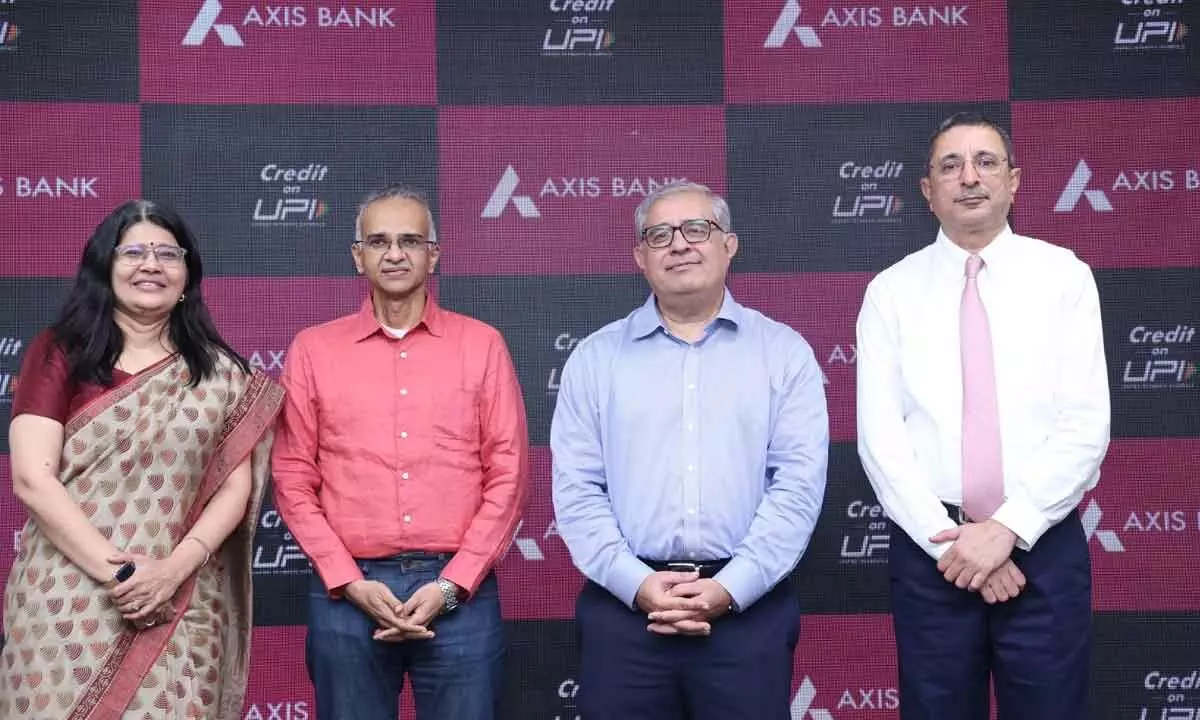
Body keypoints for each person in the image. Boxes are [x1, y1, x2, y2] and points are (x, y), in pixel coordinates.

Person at [855, 112, 1110, 719]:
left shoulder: (1064, 277)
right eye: (951, 166)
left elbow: (1084, 426)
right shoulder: (890, 292)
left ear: (1013, 180)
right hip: (933, 554)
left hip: (1041, 545)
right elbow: (881, 442)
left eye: (985, 162)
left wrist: (1006, 531)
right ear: (928, 190)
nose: (969, 177)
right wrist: (957, 547)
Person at [551, 181, 829, 719]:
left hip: (747, 612)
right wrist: (638, 585)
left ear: (729, 245)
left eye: (696, 229)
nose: (679, 244)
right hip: (626, 614)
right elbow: (577, 489)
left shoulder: (783, 353)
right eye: (660, 235)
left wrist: (730, 587)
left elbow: (797, 486)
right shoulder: (595, 359)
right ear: (640, 257)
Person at [0, 200, 284, 719]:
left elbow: (234, 488)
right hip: (67, 594)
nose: (151, 264)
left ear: (187, 275)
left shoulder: (221, 373)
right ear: (105, 267)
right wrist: (125, 575)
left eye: (167, 254)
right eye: (133, 252)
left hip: (178, 597)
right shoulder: (61, 352)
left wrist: (172, 571)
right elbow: (32, 478)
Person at [271, 185, 528, 720]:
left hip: (459, 592)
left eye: (410, 241)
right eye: (379, 241)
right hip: (348, 594)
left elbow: (508, 473)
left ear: (433, 255)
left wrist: (451, 586)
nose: (394, 254)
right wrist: (348, 581)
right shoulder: (313, 349)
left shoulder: (482, 344)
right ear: (357, 255)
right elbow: (292, 476)